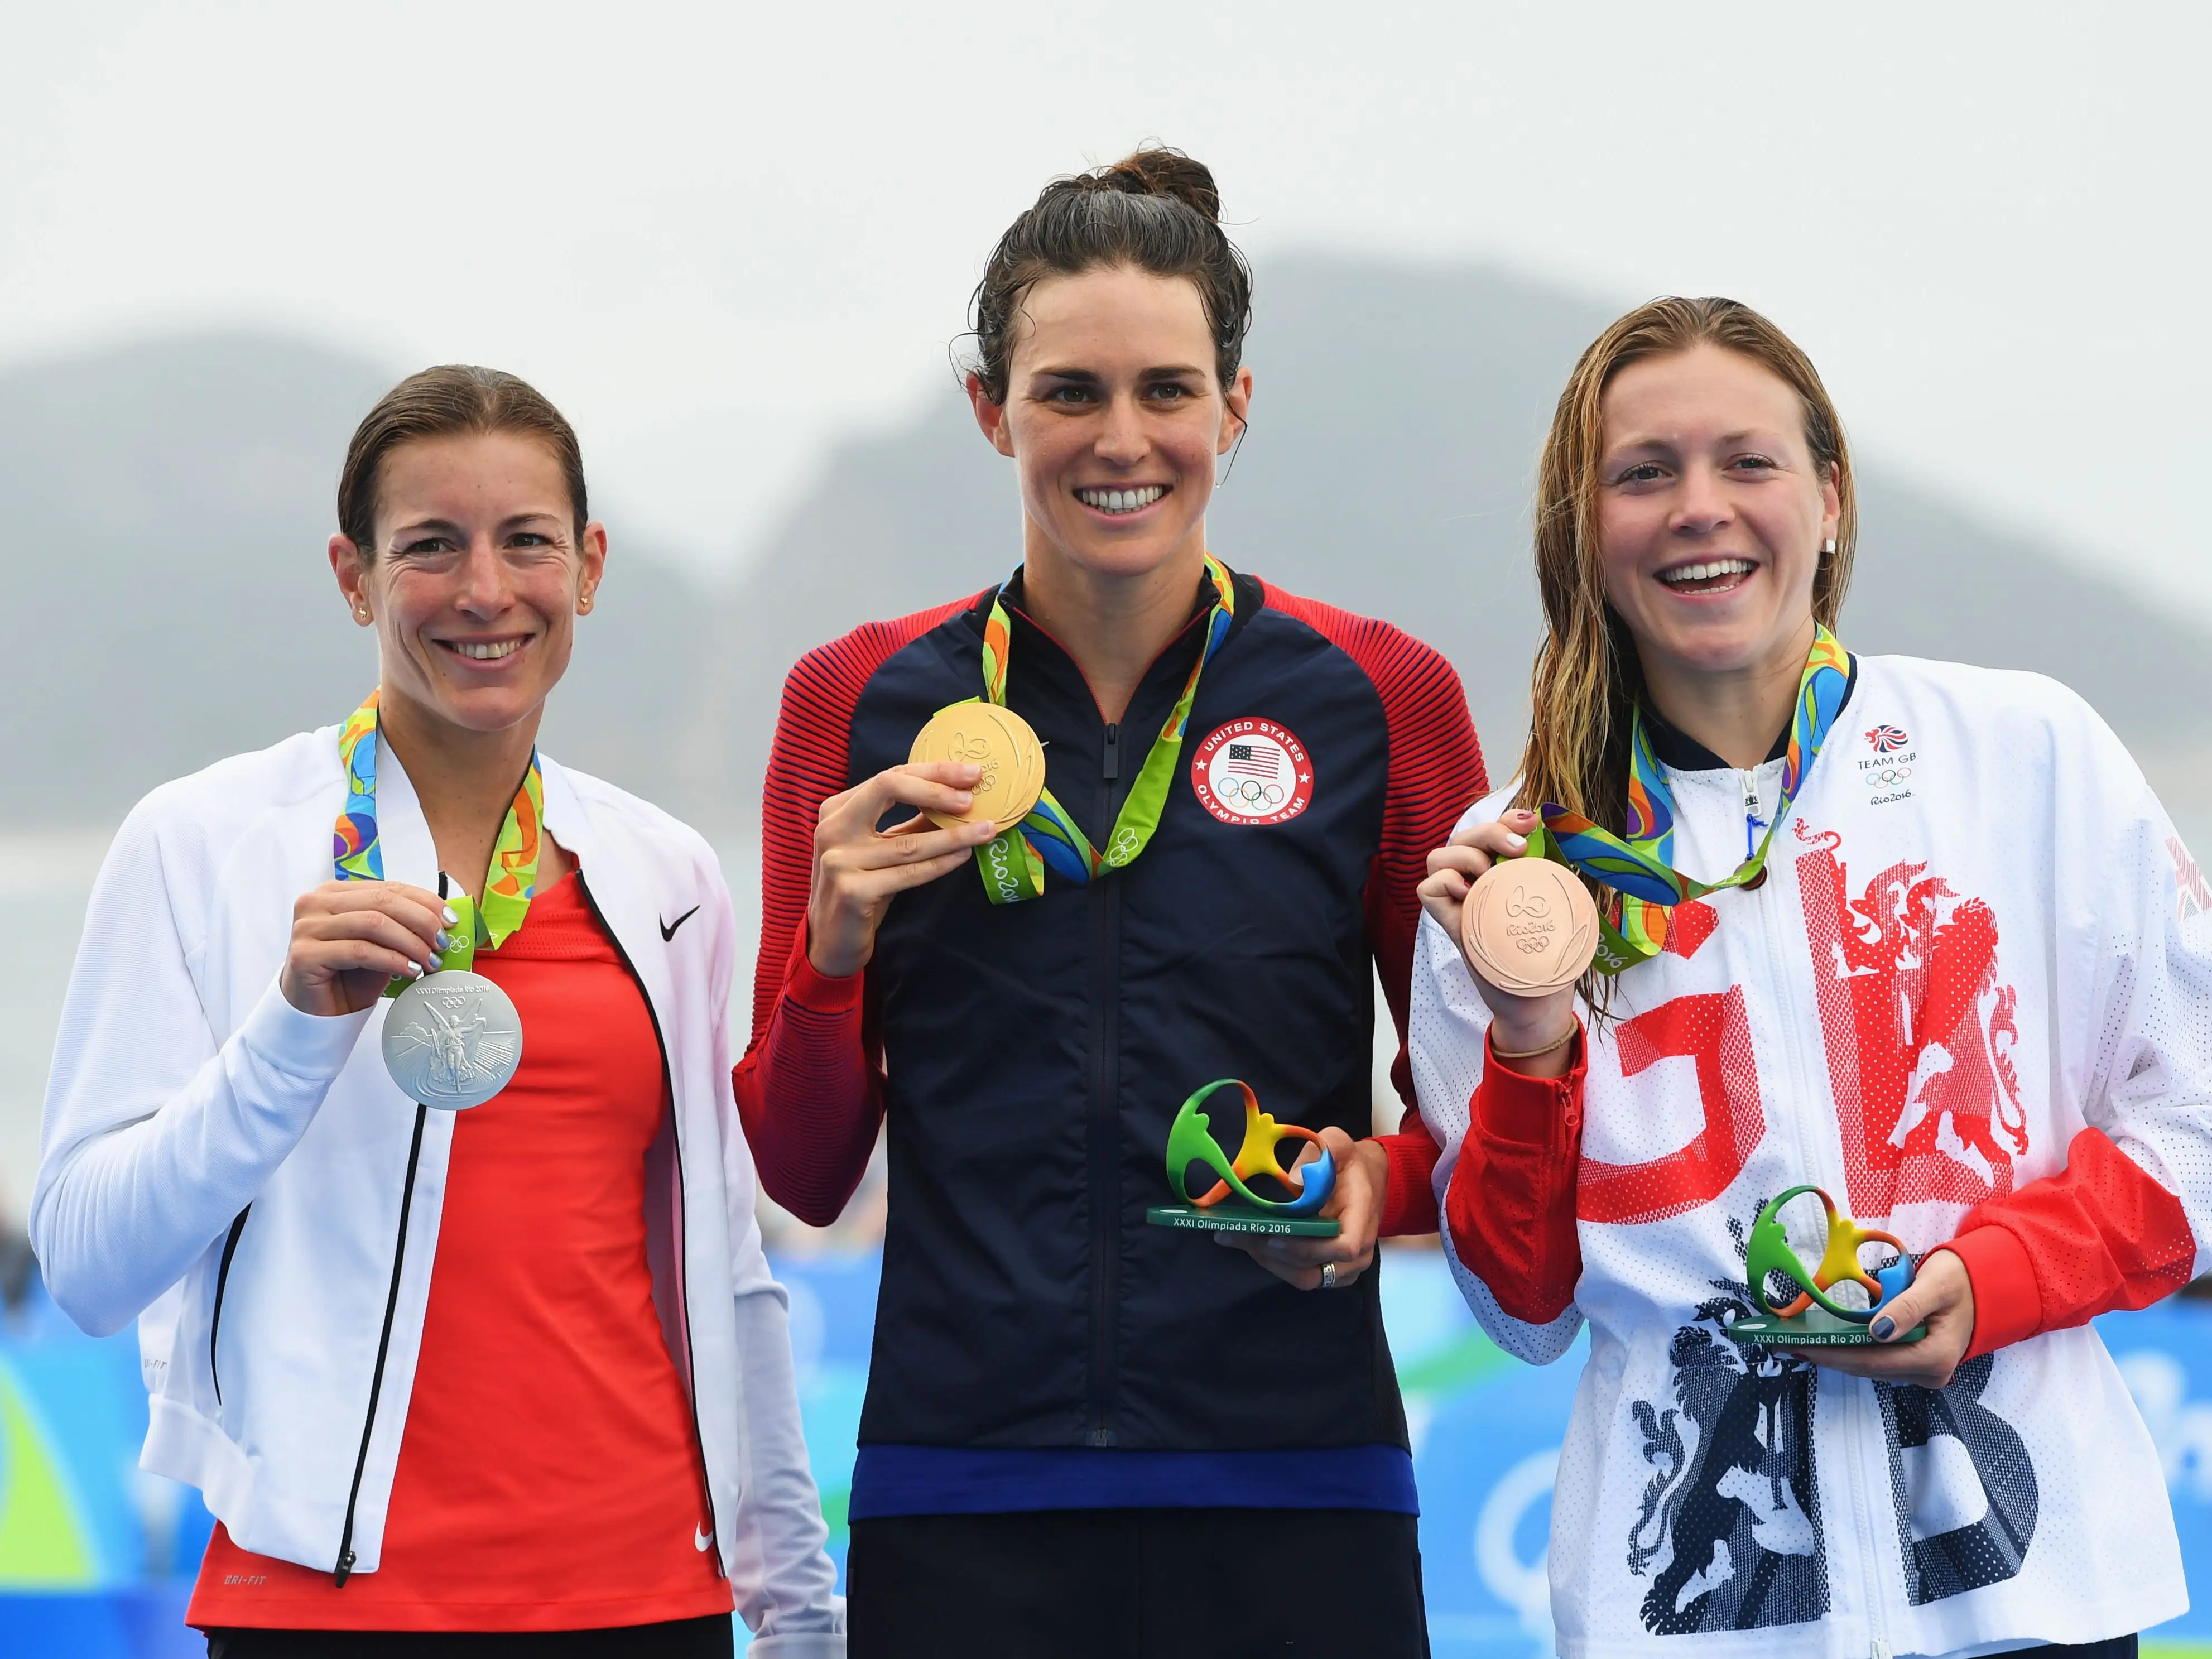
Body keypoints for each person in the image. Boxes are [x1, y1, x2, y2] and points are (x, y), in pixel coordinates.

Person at [735, 148, 1483, 1657]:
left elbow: (1484, 1139)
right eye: (1069, 391)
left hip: (1298, 1480)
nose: (1118, 437)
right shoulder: (856, 699)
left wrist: (1372, 1192)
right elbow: (806, 1173)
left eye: (1165, 389)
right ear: (990, 408)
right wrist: (828, 957)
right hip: (962, 1487)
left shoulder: (1380, 696)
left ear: (1236, 406)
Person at [1410, 296, 2212, 1658]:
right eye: (1643, 473)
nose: (1697, 507)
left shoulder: (2024, 756)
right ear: (1582, 530)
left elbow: (2194, 1120)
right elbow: (1519, 1310)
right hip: (1694, 1615)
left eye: (1748, 462)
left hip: (2031, 1598)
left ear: (1828, 498)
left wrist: (1996, 1275)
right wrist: (1530, 1041)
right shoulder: (1516, 882)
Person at [33, 367, 845, 1657]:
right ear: (353, 577)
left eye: (526, 540)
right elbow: (81, 1264)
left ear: (586, 566)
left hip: (647, 1597)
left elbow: (726, 1279)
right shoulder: (201, 844)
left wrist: (799, 1614)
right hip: (327, 1604)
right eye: (431, 546)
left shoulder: (668, 876)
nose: (484, 590)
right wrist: (289, 1028)